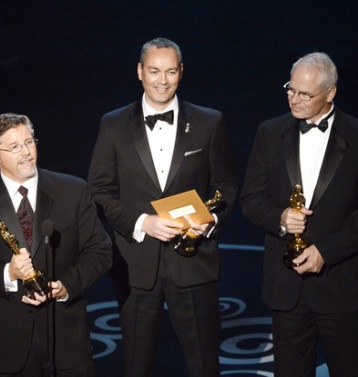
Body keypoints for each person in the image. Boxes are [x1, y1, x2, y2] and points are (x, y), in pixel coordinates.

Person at [88, 37, 238, 377]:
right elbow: (99, 190)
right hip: (135, 264)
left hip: (195, 262)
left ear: (181, 72)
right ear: (140, 72)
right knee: (137, 365)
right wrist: (142, 222)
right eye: (154, 71)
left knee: (204, 364)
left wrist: (211, 219)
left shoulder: (209, 122)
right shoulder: (112, 124)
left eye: (170, 71)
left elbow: (226, 186)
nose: (162, 80)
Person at [0, 113, 112, 376]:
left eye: (29, 142)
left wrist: (66, 285)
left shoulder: (72, 190)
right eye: (14, 147)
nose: (25, 152)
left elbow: (100, 251)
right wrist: (8, 273)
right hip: (5, 342)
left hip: (65, 340)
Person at [241, 52, 358, 376]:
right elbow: (251, 198)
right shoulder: (270, 132)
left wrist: (327, 251)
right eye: (290, 89)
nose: (295, 99)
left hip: (342, 287)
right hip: (286, 287)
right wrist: (279, 218)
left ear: (330, 93)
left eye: (305, 94)